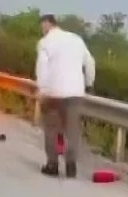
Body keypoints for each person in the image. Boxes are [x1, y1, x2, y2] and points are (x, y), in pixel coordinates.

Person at [35, 14, 95, 178]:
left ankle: (52, 164)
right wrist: (89, 83)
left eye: (43, 26)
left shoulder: (45, 42)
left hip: (52, 93)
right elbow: (89, 62)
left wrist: (42, 89)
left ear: (48, 24)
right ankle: (71, 166)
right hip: (75, 92)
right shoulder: (76, 39)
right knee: (72, 130)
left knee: (51, 128)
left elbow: (42, 67)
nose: (42, 30)